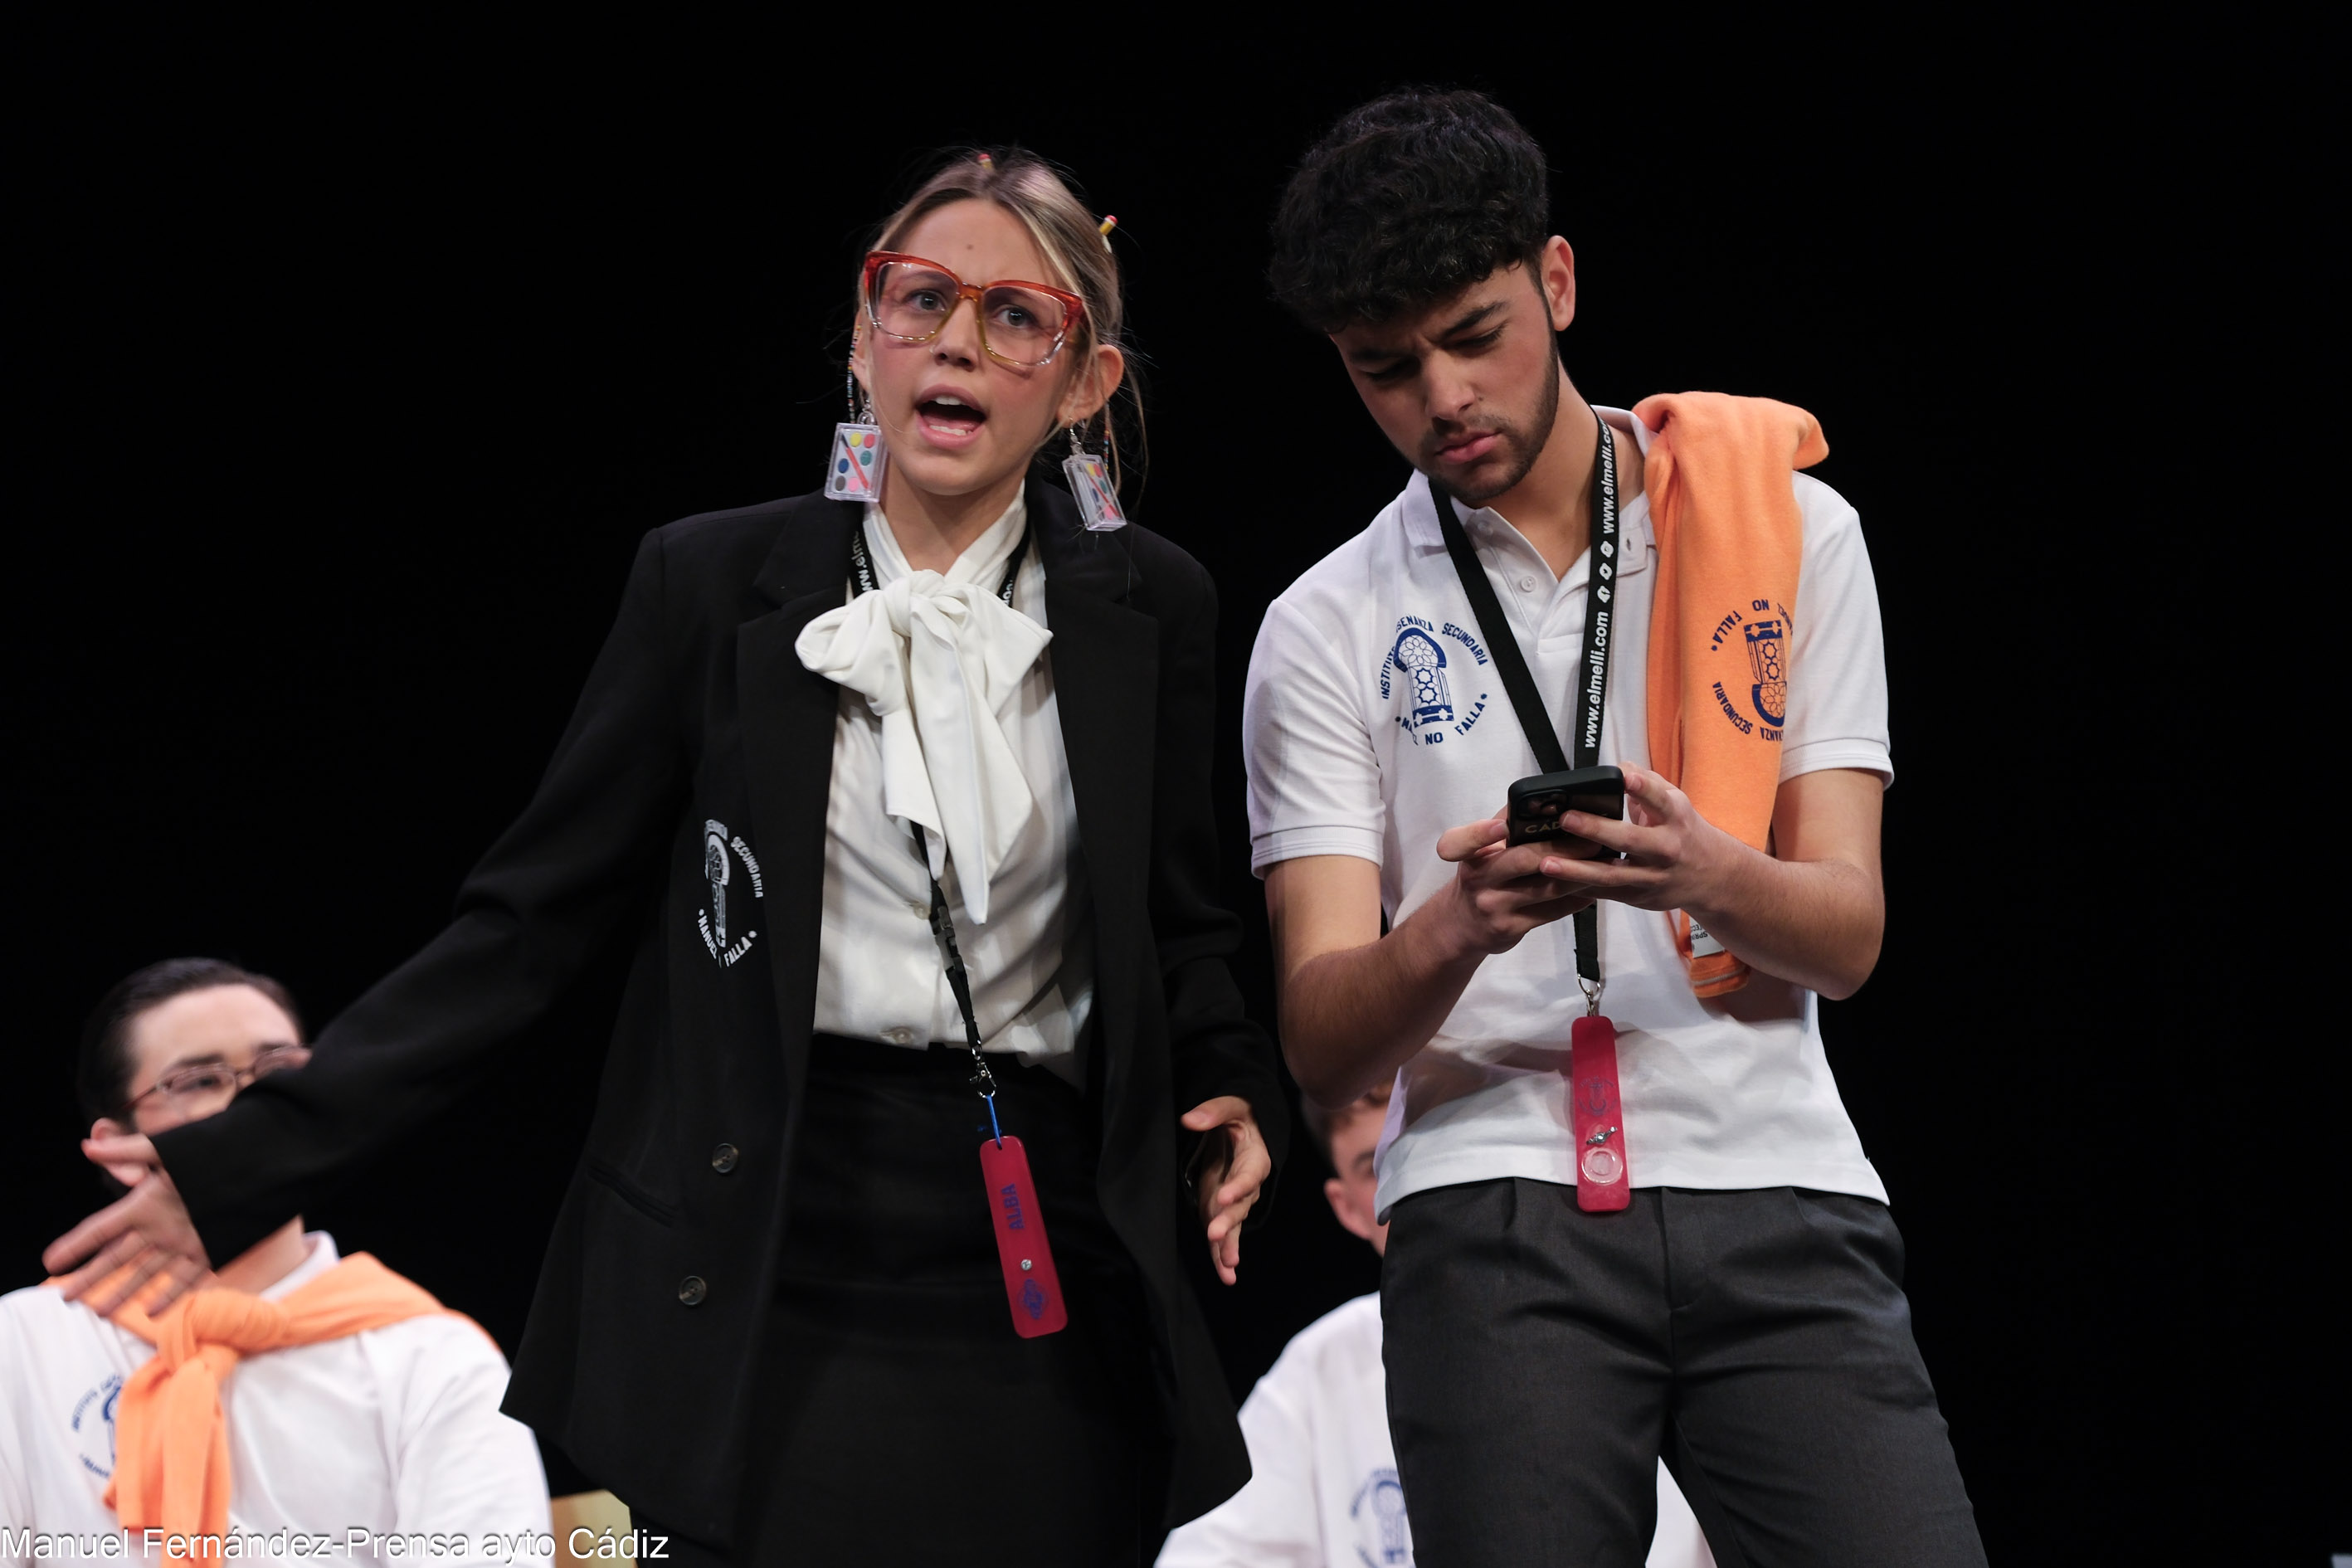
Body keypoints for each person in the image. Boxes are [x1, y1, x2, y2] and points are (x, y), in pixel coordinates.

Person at [42, 149, 1287, 1566]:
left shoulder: (1152, 611)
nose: (957, 340)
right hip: (771, 1248)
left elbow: (1181, 922)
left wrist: (1233, 1079)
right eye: (921, 297)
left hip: (1045, 1251)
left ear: (1085, 385)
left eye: (1016, 316)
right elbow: (523, 931)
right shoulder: (708, 585)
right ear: (866, 339)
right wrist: (244, 1161)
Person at [1245, 90, 1986, 1567]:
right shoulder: (1324, 625)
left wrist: (1699, 870)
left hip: (1776, 1179)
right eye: (1385, 370)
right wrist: (1461, 922)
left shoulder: (1785, 530)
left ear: (1559, 281)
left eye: (1474, 335)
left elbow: (1847, 936)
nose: (1442, 398)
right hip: (1490, 1203)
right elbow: (1326, 1038)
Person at [2, 959, 551, 1564]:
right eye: (200, 1081)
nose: (258, 1105)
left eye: (282, 1075)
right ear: (118, 1150)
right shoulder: (26, 1341)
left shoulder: (434, 1357)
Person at [1156, 1083, 1713, 1568]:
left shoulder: (1646, 1318)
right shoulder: (1320, 1370)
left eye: (1424, 1158)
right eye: (1379, 1170)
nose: (1414, 1196)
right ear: (1347, 1207)